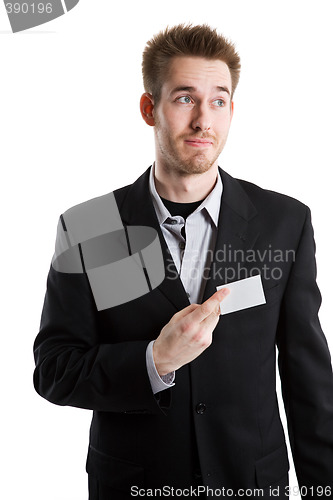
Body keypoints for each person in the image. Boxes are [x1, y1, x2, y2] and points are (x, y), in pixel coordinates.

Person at [33, 24, 333, 499]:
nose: (203, 122)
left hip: (250, 484)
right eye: (184, 98)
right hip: (135, 486)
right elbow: (55, 369)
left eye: (218, 101)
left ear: (232, 110)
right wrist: (155, 361)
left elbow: (307, 380)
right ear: (149, 109)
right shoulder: (92, 228)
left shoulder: (285, 222)